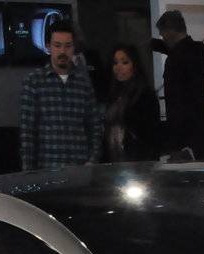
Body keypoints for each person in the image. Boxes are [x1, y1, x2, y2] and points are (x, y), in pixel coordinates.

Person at [19, 22, 103, 171]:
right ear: (48, 47)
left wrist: (92, 160)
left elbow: (94, 126)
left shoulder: (83, 83)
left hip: (80, 168)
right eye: (57, 45)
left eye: (68, 46)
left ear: (74, 48)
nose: (62, 51)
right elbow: (27, 132)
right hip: (46, 168)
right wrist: (28, 172)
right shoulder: (34, 81)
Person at [152, 11, 204, 162]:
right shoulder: (198, 50)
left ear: (170, 31)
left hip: (184, 133)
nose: (162, 37)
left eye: (163, 33)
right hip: (195, 133)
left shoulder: (178, 57)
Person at [104, 44, 162, 163]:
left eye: (125, 62)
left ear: (134, 66)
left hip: (138, 160)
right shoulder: (112, 95)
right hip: (114, 158)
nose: (119, 67)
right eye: (115, 63)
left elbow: (151, 134)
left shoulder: (145, 95)